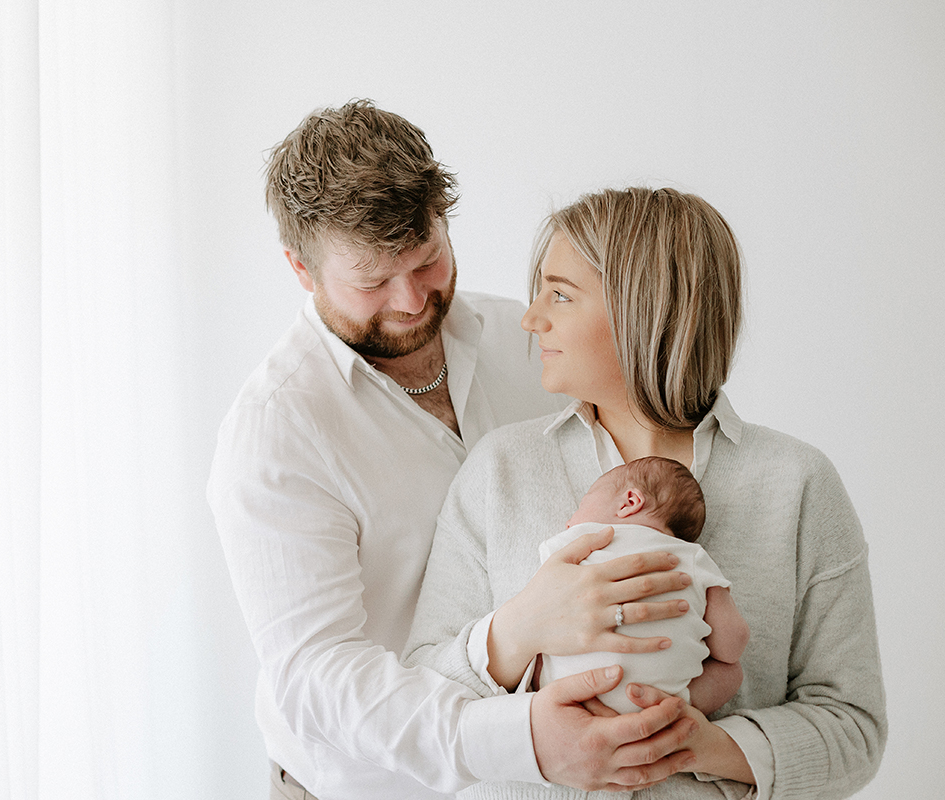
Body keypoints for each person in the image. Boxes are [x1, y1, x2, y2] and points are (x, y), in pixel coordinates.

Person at [208, 103, 702, 800]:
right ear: (301, 269)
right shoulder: (276, 431)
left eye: (427, 260)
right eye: (373, 281)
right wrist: (521, 738)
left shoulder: (532, 341)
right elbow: (318, 678)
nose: (411, 300)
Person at [404, 187, 887, 798]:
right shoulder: (499, 469)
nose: (531, 319)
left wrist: (698, 745)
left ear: (644, 310)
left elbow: (853, 729)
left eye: (560, 294)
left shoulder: (798, 485)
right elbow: (418, 700)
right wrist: (522, 630)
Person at [534, 456, 749, 716]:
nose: (569, 522)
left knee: (533, 649)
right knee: (732, 672)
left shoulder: (574, 541)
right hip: (657, 707)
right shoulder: (693, 558)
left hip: (570, 702)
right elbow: (732, 643)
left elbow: (535, 608)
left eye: (581, 505)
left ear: (629, 502)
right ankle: (684, 710)